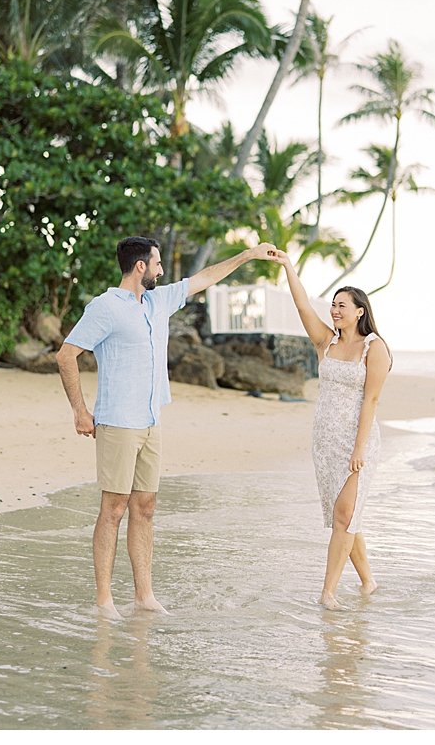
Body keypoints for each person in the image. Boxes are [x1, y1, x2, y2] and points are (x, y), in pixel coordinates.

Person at [57, 236, 278, 618]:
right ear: (140, 266)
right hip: (118, 420)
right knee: (113, 508)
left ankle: (144, 596)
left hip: (152, 419)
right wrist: (80, 411)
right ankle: (104, 600)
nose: (162, 271)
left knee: (144, 507)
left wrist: (248, 255)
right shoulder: (105, 307)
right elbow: (66, 355)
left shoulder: (159, 302)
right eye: (157, 264)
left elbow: (206, 276)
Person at [271, 249, 390, 607]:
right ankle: (368, 582)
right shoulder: (327, 342)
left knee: (344, 515)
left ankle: (328, 592)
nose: (335, 310)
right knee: (346, 516)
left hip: (358, 442)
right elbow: (303, 305)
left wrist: (359, 449)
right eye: (334, 304)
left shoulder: (375, 348)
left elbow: (370, 402)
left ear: (360, 311)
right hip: (324, 441)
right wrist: (289, 267)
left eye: (343, 305)